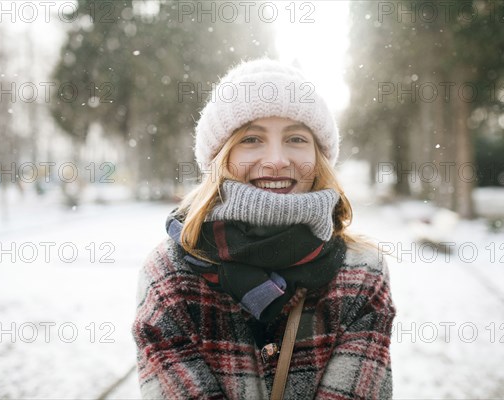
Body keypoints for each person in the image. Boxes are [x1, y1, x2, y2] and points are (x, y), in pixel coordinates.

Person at [132, 58, 396, 399]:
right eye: (252, 139)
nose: (275, 160)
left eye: (296, 138)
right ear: (220, 157)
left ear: (318, 158)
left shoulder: (362, 275)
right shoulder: (169, 276)